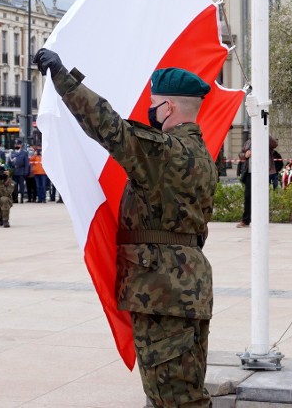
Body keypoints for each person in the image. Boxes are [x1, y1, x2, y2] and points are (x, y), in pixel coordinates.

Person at [35, 48, 217, 408]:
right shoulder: (201, 154)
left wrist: (63, 78)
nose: (150, 110)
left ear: (167, 108)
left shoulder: (167, 153)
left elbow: (111, 129)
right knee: (186, 393)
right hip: (184, 288)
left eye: (153, 103)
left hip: (162, 291)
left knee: (175, 400)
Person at [237, 135, 279, 228]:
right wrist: (245, 155)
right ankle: (245, 220)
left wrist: (265, 132)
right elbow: (240, 154)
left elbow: (275, 144)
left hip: (263, 173)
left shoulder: (265, 139)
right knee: (248, 197)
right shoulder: (248, 142)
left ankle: (262, 219)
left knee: (262, 197)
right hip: (250, 173)